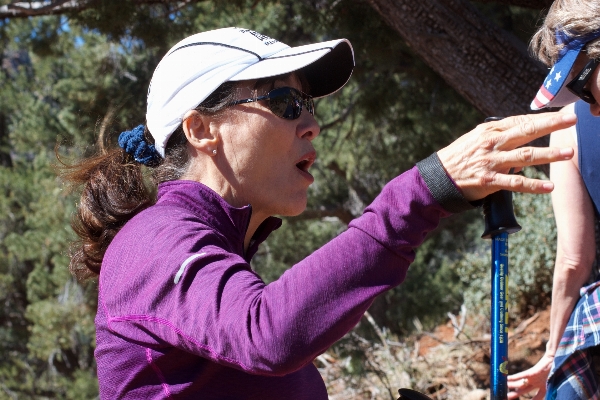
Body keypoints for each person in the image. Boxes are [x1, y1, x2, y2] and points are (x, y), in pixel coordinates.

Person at [65, 27, 575, 399]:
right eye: (287, 103)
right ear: (201, 130)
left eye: (312, 107)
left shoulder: (214, 254)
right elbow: (267, 334)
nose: (311, 125)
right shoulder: (149, 241)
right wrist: (423, 192)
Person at [507, 1, 600, 399]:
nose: (589, 105)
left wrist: (553, 355)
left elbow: (574, 260)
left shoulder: (569, 133)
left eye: (581, 85)